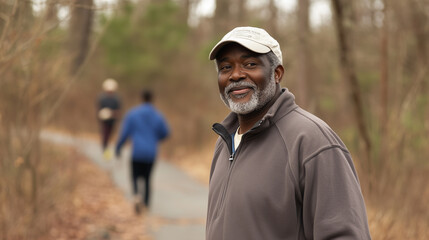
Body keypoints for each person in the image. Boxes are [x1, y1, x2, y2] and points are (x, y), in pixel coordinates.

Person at [206, 26, 371, 240]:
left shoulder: (312, 140)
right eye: (226, 67)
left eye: (250, 64)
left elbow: (344, 234)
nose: (235, 75)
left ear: (277, 73)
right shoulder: (225, 142)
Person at [115, 89, 169, 214]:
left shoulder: (132, 114)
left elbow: (124, 134)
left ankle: (136, 196)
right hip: (151, 153)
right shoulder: (158, 115)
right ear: (152, 99)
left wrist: (118, 148)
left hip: (137, 152)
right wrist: (155, 138)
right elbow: (166, 132)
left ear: (141, 98)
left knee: (135, 176)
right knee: (147, 179)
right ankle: (146, 204)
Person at [97, 78, 121, 158]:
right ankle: (105, 150)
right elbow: (99, 110)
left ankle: (106, 149)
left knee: (109, 135)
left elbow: (118, 111)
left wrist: (113, 114)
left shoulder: (116, 99)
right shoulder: (102, 98)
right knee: (105, 135)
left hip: (112, 121)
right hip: (104, 121)